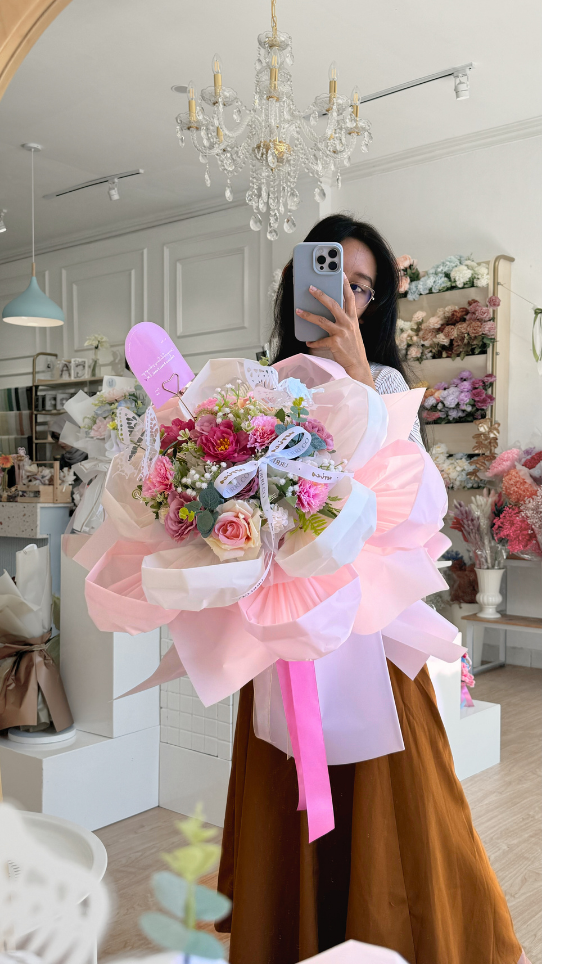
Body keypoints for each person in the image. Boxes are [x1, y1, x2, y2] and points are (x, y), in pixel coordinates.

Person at [216, 214, 529, 964]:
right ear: (297, 283)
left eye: (362, 287)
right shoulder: (259, 385)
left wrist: (357, 383)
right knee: (285, 797)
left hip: (370, 634)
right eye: (334, 280)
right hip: (287, 636)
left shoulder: (385, 384)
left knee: (402, 804)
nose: (346, 299)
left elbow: (418, 506)